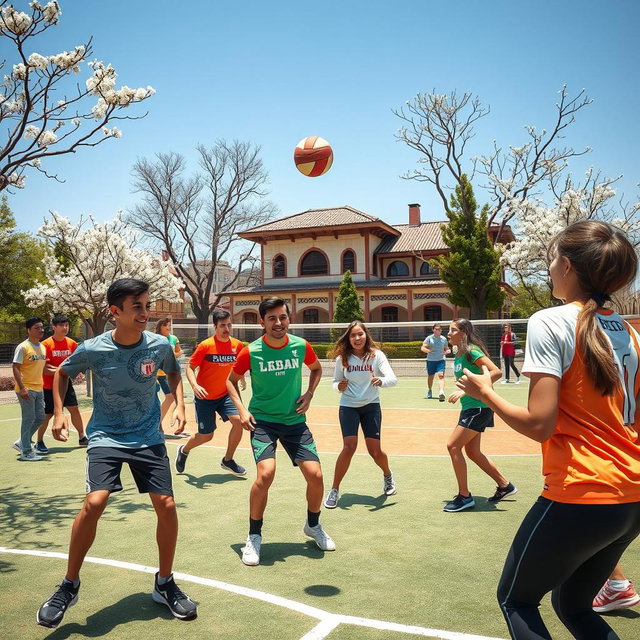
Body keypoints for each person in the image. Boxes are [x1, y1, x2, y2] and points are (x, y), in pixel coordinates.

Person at [457, 220, 640, 639]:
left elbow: (539, 425)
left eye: (553, 257)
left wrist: (485, 393)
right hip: (632, 495)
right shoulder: (629, 331)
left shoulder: (550, 321)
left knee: (516, 601)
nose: (550, 266)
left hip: (583, 489)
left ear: (571, 267)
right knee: (573, 606)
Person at [36, 279, 196, 629]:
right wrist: (60, 413)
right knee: (94, 503)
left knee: (166, 505)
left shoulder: (159, 344)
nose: (145, 312)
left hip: (148, 436)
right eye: (136, 306)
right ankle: (69, 585)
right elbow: (62, 374)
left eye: (146, 304)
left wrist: (180, 405)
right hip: (106, 436)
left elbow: (173, 371)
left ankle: (165, 582)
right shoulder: (93, 348)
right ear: (115, 312)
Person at [226, 297, 335, 566]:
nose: (278, 323)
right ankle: (253, 536)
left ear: (289, 319)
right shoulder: (251, 352)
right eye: (272, 318)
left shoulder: (301, 346)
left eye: (283, 317)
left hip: (294, 422)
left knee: (317, 476)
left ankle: (313, 525)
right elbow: (231, 381)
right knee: (266, 474)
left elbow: (317, 368)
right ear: (262, 322)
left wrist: (309, 393)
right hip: (262, 421)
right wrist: (241, 409)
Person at [443, 318, 517, 512]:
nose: (448, 333)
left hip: (478, 407)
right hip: (471, 408)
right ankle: (505, 486)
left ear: (463, 333)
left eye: (452, 330)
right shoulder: (458, 353)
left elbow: (496, 372)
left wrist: (467, 391)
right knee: (473, 452)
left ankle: (465, 497)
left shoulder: (471, 351)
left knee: (453, 446)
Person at [324, 321, 398, 509]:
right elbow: (335, 381)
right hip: (348, 406)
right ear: (348, 339)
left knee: (375, 451)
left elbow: (392, 379)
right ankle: (334, 490)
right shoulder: (343, 358)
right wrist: (338, 386)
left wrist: (381, 381)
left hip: (371, 406)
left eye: (360, 334)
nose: (357, 338)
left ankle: (388, 475)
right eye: (353, 335)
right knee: (349, 447)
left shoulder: (376, 356)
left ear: (366, 335)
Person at [174, 309, 247, 476]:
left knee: (239, 422)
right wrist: (195, 386)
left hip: (225, 394)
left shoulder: (237, 345)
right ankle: (184, 450)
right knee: (206, 436)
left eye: (229, 325)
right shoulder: (205, 346)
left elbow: (238, 366)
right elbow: (190, 368)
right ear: (215, 327)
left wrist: (240, 377)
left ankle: (228, 460)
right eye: (222, 325)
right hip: (205, 397)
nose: (226, 329)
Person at [35, 314, 87, 454]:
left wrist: (78, 372)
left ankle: (82, 437)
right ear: (53, 327)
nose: (65, 328)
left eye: (67, 325)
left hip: (66, 384)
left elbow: (75, 364)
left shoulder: (71, 344)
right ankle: (39, 441)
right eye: (61, 325)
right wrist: (61, 371)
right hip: (48, 386)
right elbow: (43, 368)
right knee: (47, 415)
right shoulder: (45, 345)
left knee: (74, 409)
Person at [11, 317, 47, 461]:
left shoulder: (42, 347)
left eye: (42, 327)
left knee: (40, 417)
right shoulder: (23, 347)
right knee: (29, 418)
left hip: (39, 388)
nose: (41, 330)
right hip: (26, 388)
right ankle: (26, 451)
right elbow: (15, 367)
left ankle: (21, 442)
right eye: (37, 328)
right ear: (28, 330)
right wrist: (22, 388)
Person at [154, 318, 183, 435]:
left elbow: (178, 352)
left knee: (170, 397)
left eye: (169, 325)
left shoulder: (174, 339)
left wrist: (172, 355)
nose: (169, 327)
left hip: (167, 373)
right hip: (154, 374)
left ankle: (157, 422)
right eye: (166, 325)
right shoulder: (155, 338)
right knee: (152, 400)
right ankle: (155, 424)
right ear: (161, 326)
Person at [421, 323, 451, 401]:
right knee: (431, 377)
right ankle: (430, 390)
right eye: (436, 329)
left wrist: (448, 351)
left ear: (441, 330)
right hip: (431, 360)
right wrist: (429, 350)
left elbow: (446, 348)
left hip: (441, 360)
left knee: (441, 376)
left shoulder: (444, 339)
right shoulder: (429, 338)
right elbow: (423, 347)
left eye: (439, 329)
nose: (438, 330)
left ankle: (441, 392)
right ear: (433, 330)